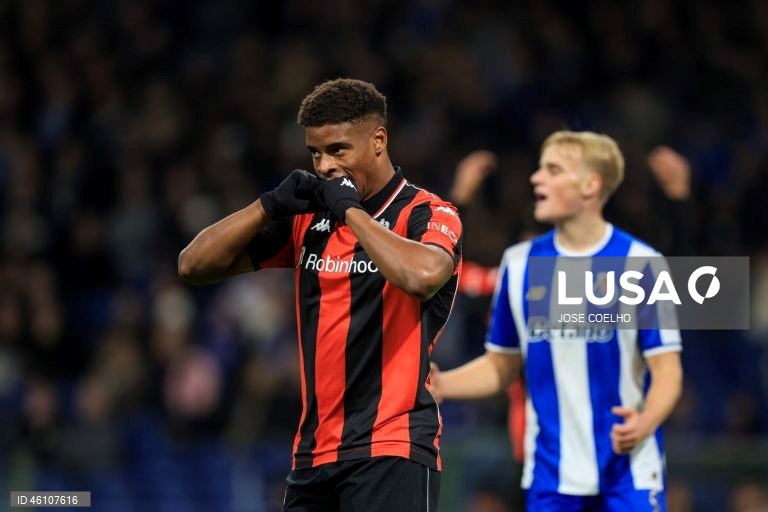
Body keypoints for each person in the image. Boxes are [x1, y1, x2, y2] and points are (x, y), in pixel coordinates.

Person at [178, 78, 462, 512]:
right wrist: (267, 206)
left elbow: (421, 276)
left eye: (338, 150)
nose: (326, 166)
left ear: (379, 141)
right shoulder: (309, 221)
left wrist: (350, 211)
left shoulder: (426, 212)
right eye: (315, 153)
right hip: (313, 455)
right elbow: (194, 265)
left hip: (392, 447)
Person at [431, 131, 683, 511]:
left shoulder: (641, 264)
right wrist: (443, 383)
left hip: (629, 475)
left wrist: (646, 420)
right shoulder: (519, 265)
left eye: (553, 170)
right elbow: (503, 364)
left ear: (590, 185)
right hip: (550, 479)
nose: (536, 178)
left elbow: (668, 370)